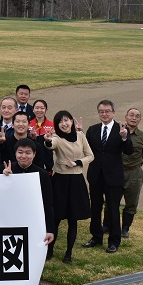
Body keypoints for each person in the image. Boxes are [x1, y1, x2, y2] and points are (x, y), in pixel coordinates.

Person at [0, 139, 55, 285]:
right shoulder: (6, 170)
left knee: (22, 257)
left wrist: (50, 229)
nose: (23, 156)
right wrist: (3, 178)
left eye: (28, 153)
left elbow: (48, 204)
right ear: (15, 153)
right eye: (20, 152)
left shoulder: (41, 174)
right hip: (4, 221)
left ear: (34, 154)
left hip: (29, 224)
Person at [82, 100, 134, 254]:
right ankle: (96, 237)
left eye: (107, 111)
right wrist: (78, 134)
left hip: (113, 177)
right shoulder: (92, 130)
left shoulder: (122, 130)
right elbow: (85, 150)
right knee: (95, 208)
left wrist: (125, 138)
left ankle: (114, 241)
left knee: (112, 209)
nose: (104, 114)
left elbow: (129, 151)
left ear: (113, 113)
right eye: (101, 111)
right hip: (96, 175)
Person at [43, 110, 93, 263]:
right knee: (56, 218)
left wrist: (78, 162)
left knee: (73, 219)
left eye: (67, 120)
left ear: (72, 121)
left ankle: (68, 253)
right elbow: (51, 145)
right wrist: (48, 141)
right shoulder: (57, 137)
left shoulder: (80, 135)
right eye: (60, 121)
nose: (64, 123)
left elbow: (90, 155)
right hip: (60, 181)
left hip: (76, 181)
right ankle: (49, 251)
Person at [119, 107, 143, 238]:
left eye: (137, 116)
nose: (134, 118)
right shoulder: (117, 132)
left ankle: (125, 228)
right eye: (131, 115)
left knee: (131, 202)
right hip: (117, 172)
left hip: (134, 174)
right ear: (125, 117)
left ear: (140, 120)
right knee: (111, 201)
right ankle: (107, 225)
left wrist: (135, 166)